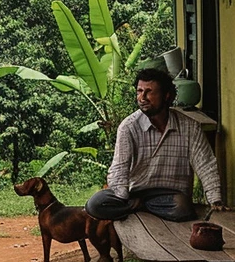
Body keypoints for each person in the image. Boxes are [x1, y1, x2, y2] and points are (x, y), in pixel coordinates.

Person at [86, 68, 225, 222]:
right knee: (95, 205)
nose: (142, 97)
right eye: (139, 91)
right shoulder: (129, 127)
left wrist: (215, 200)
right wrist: (122, 197)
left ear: (166, 95)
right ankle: (139, 205)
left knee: (182, 208)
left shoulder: (190, 127)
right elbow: (119, 167)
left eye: (149, 92)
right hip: (134, 192)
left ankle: (141, 207)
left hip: (170, 195)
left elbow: (205, 164)